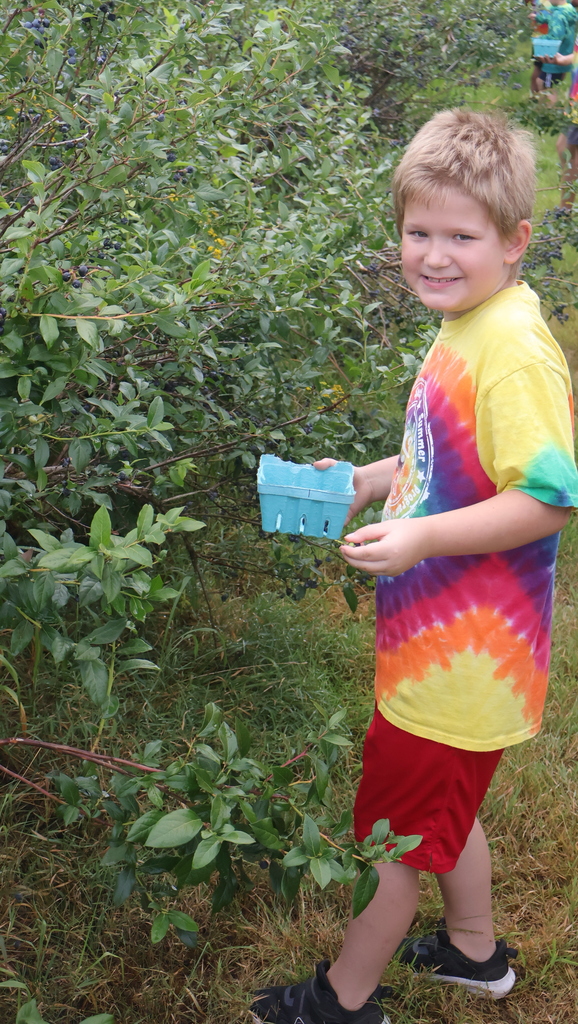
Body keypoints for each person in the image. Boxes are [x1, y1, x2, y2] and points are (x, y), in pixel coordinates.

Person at [250, 108, 578, 1024]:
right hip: (448, 655)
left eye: (460, 236)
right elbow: (444, 462)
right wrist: (364, 480)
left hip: (465, 664)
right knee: (445, 805)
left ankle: (341, 1002)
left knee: (394, 840)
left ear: (515, 242)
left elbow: (549, 495)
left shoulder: (510, 351)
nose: (433, 255)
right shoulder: (471, 320)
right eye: (418, 232)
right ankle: (475, 953)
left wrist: (425, 539)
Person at [529, 0, 577, 98]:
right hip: (566, 53)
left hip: (555, 57)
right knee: (547, 84)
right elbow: (551, 17)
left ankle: (547, 111)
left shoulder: (559, 14)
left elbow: (555, 37)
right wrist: (538, 17)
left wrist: (540, 39)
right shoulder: (567, 8)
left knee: (544, 85)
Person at [553, 28, 578, 206]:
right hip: (574, 102)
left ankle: (565, 214)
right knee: (563, 148)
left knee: (570, 156)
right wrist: (563, 59)